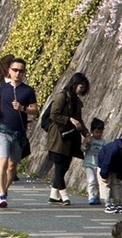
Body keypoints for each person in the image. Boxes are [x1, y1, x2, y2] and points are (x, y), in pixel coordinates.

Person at [0, 55, 36, 208]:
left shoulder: (28, 91)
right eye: (15, 70)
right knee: (3, 163)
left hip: (18, 133)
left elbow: (35, 109)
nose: (17, 73)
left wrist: (23, 108)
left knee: (12, 167)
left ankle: (5, 190)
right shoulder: (3, 87)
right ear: (9, 71)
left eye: (21, 71)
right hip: (3, 131)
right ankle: (1, 195)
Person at [43, 70, 91, 206]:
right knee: (59, 166)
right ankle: (64, 196)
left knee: (64, 166)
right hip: (58, 137)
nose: (82, 90)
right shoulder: (61, 97)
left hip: (70, 137)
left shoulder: (76, 100)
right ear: (74, 84)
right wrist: (69, 119)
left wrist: (86, 134)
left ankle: (53, 194)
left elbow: (79, 120)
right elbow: (54, 114)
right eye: (81, 87)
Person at [83, 116, 109, 205]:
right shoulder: (90, 140)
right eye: (96, 132)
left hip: (99, 164)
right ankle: (91, 196)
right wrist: (85, 143)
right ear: (92, 131)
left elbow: (106, 153)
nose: (98, 134)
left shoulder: (104, 142)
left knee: (99, 181)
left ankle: (97, 196)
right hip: (89, 163)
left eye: (100, 132)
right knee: (91, 180)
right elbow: (83, 149)